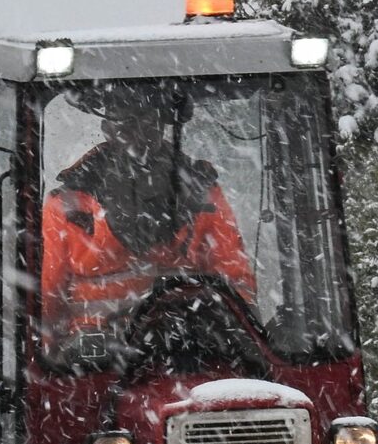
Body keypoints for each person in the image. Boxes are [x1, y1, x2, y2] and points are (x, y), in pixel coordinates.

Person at [38, 92, 255, 335]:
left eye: (147, 123)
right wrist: (51, 355)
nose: (139, 135)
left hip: (194, 342)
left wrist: (244, 338)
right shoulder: (68, 206)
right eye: (128, 125)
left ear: (162, 127)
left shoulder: (202, 193)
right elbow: (48, 298)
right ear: (107, 129)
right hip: (93, 357)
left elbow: (236, 282)